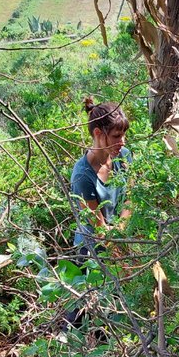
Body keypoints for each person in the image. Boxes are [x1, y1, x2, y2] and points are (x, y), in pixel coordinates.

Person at [70, 97, 132, 255]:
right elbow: (99, 228)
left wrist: (120, 228)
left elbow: (131, 196)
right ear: (98, 133)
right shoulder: (82, 175)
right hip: (93, 250)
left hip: (119, 237)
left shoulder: (124, 156)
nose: (122, 142)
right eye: (116, 136)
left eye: (124, 135)